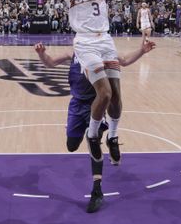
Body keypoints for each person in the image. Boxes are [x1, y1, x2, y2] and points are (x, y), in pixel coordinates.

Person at [55, 0, 129, 210]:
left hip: (106, 40)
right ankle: (92, 133)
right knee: (105, 93)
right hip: (85, 43)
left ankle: (112, 135)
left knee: (117, 101)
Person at [35, 39, 156, 212]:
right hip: (76, 105)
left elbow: (124, 60)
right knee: (71, 146)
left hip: (95, 104)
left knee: (93, 139)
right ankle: (88, 134)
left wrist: (142, 51)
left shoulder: (102, 53)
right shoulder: (73, 53)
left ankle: (97, 189)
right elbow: (50, 62)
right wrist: (41, 54)